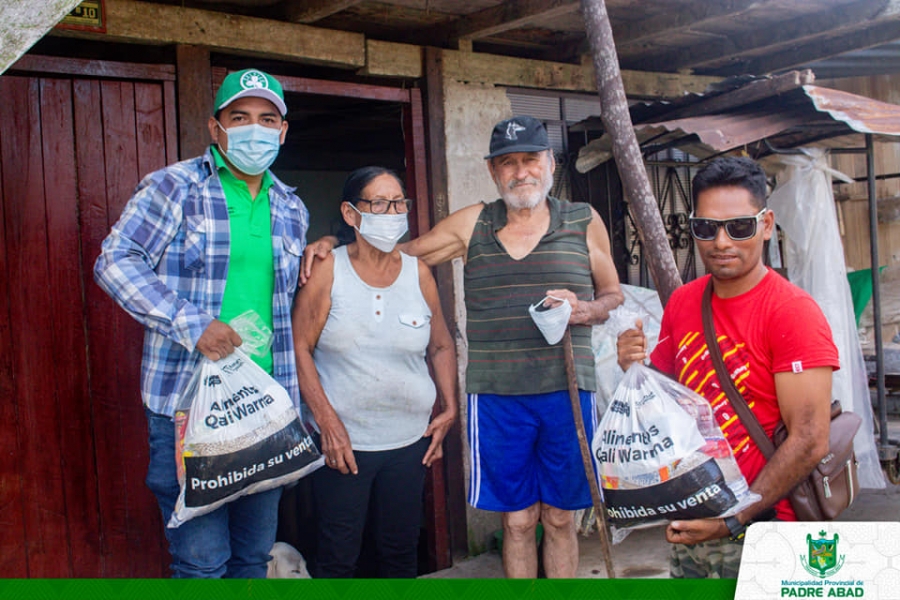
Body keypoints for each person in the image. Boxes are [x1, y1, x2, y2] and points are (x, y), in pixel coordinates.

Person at [305, 115, 624, 578]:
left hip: (569, 393)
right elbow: (393, 249)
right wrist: (336, 240)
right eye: (508, 163)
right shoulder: (473, 223)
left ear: (550, 163)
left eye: (531, 159)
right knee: (517, 522)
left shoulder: (582, 219)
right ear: (493, 172)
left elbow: (613, 295)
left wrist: (585, 310)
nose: (521, 172)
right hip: (496, 395)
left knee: (559, 519)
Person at [94, 68, 308, 578]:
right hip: (189, 409)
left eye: (266, 119)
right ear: (216, 128)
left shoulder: (290, 206)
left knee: (252, 556)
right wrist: (193, 323)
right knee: (201, 561)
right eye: (240, 118)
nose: (254, 129)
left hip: (264, 407)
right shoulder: (174, 186)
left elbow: (286, 296)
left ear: (282, 131)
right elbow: (116, 261)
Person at [616, 156, 840, 578]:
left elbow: (810, 438)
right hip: (696, 522)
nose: (721, 242)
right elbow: (667, 405)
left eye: (739, 227)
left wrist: (734, 517)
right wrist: (634, 367)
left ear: (767, 224)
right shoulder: (684, 302)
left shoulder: (793, 313)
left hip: (770, 529)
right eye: (706, 228)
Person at [292, 166, 458, 578]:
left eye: (399, 202)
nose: (393, 212)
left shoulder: (417, 272)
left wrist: (450, 406)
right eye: (380, 203)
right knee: (338, 553)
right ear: (351, 214)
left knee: (400, 551)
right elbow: (299, 348)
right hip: (345, 445)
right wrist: (327, 424)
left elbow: (440, 343)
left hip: (408, 442)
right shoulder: (329, 270)